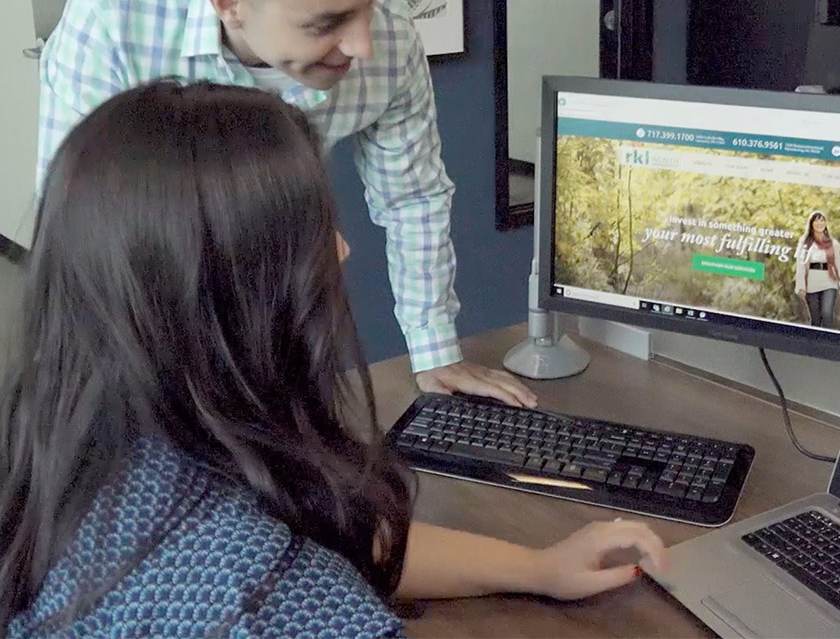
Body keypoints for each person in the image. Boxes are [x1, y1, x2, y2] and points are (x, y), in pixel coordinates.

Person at [2, 81, 666, 636]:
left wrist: (537, 568)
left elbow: (332, 534)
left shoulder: (52, 445)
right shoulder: (278, 602)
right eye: (315, 230)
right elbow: (287, 563)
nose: (343, 251)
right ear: (236, 295)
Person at [36, 0, 535, 409]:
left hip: (279, 315)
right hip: (137, 330)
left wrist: (435, 351)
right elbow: (77, 227)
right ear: (229, 3)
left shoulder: (389, 35)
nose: (363, 44)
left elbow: (413, 199)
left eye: (370, 2)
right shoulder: (114, 8)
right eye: (327, 23)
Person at [795, 210, 840, 328]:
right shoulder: (805, 242)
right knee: (815, 318)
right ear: (811, 224)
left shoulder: (833, 243)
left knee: (827, 314)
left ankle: (827, 339)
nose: (820, 223)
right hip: (812, 283)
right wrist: (801, 286)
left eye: (822, 220)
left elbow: (838, 264)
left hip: (829, 282)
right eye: (817, 221)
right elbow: (800, 265)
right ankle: (814, 340)